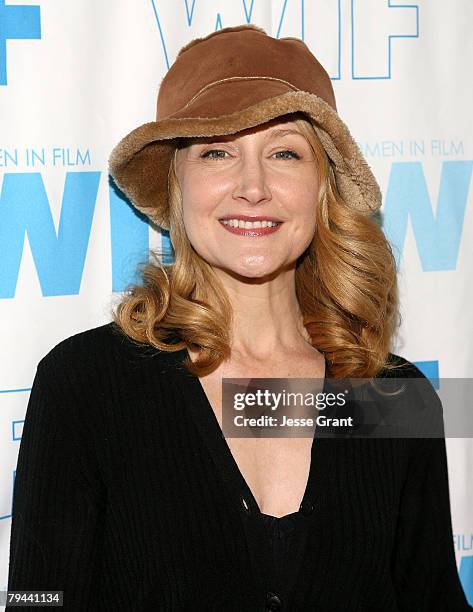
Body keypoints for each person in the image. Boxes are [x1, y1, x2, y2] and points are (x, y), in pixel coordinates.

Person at [6, 24, 471, 611]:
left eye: (283, 152)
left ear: (322, 185)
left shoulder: (393, 398)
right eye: (217, 152)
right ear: (176, 184)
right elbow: (36, 600)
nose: (252, 187)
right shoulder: (86, 385)